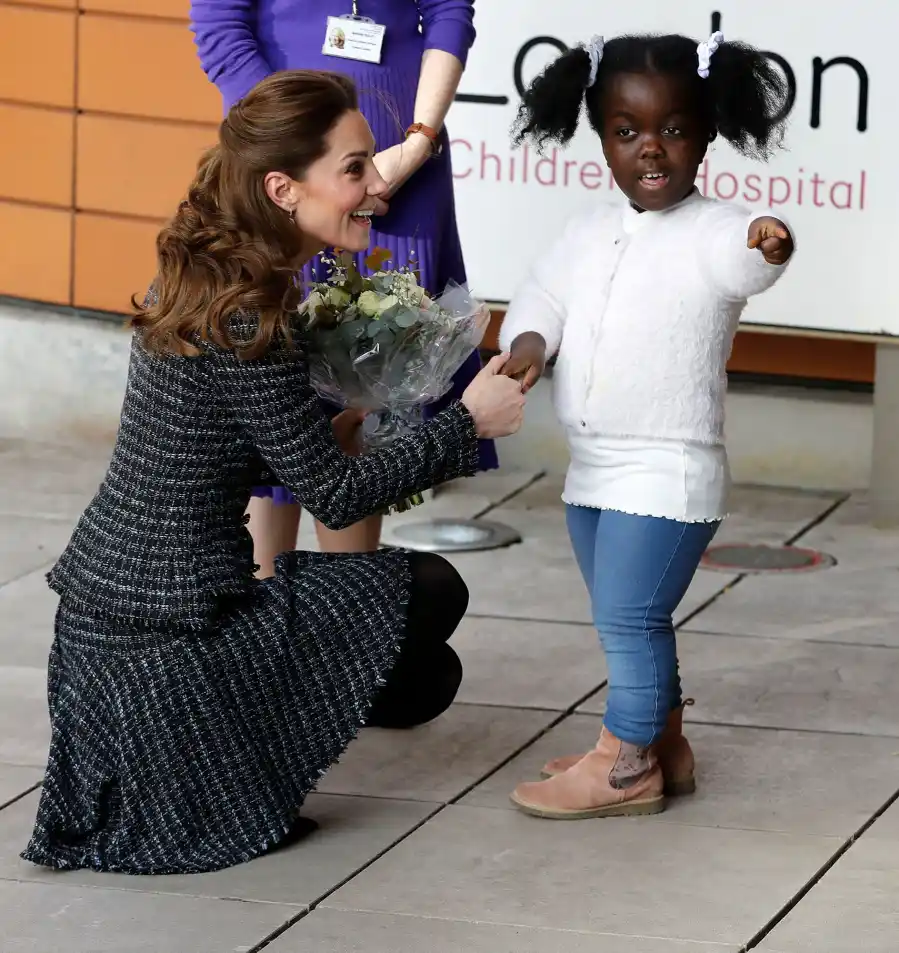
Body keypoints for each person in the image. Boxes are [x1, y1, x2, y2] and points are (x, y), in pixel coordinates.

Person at [20, 71, 524, 875]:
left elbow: (208, 445)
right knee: (428, 614)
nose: (375, 183)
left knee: (415, 652)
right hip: (161, 650)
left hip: (109, 631)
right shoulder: (250, 313)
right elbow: (335, 496)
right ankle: (230, 756)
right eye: (354, 168)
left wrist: (327, 428)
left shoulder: (215, 279)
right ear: (283, 188)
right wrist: (468, 420)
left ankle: (246, 740)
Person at [499, 32, 795, 820]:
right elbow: (542, 297)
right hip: (592, 464)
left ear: (704, 134)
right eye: (626, 132)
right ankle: (662, 742)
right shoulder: (586, 230)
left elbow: (745, 258)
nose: (650, 149)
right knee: (625, 617)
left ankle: (622, 762)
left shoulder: (711, 230)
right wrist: (528, 342)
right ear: (599, 136)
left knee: (629, 617)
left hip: (668, 467)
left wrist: (767, 240)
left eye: (672, 129)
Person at [189, 0, 497, 575]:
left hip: (407, 157)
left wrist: (416, 143)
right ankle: (259, 622)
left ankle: (346, 619)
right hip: (287, 161)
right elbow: (220, 28)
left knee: (367, 380)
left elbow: (450, 10)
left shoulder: (408, 155)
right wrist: (301, 152)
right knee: (271, 376)